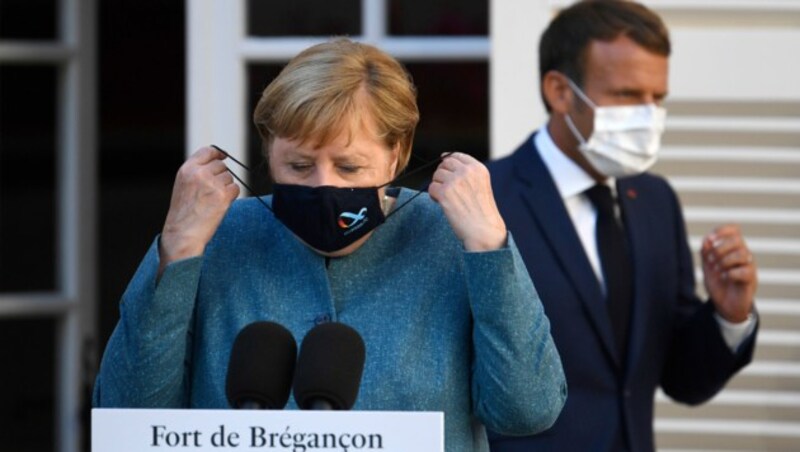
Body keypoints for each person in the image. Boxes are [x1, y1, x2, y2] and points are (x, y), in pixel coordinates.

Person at [92, 38, 566, 451]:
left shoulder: (451, 235)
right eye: (299, 167)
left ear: (396, 154)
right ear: (267, 151)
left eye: (350, 168)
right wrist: (178, 247)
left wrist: (488, 246)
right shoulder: (216, 234)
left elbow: (527, 411)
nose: (323, 186)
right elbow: (127, 413)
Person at [487, 1, 758, 451]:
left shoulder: (655, 201)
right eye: (628, 95)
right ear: (560, 91)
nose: (648, 115)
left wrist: (727, 315)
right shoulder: (487, 200)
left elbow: (681, 379)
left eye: (658, 98)